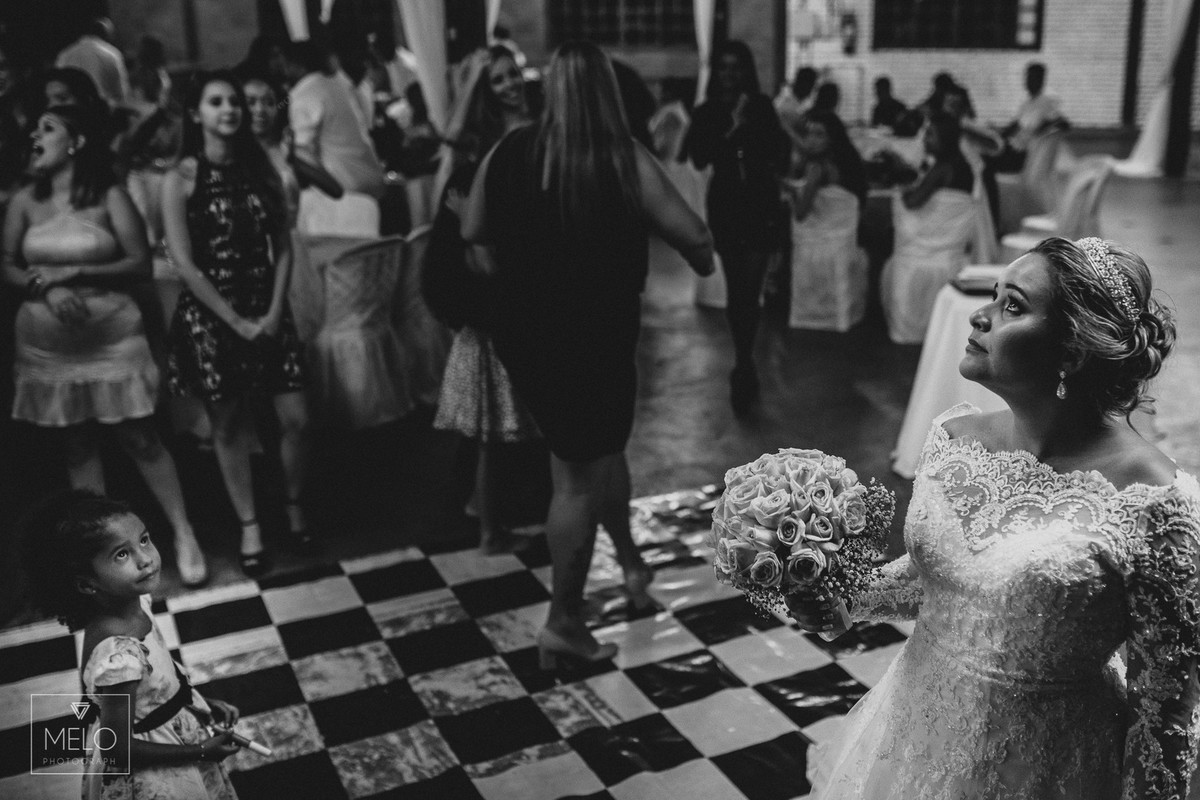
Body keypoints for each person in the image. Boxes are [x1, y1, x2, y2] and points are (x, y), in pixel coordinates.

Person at [789, 236, 1199, 799]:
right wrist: (847, 598)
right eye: (994, 296)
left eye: (1012, 306)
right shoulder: (956, 441)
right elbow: (943, 581)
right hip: (914, 736)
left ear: (1072, 352)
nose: (980, 317)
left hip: (1048, 768)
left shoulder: (1158, 505)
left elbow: (1166, 715)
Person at [462, 41, 714, 667]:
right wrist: (706, 262)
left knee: (593, 456)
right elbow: (693, 233)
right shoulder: (621, 159)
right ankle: (563, 623)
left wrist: (516, 278)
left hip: (529, 338)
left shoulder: (511, 150)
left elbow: (472, 231)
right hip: (595, 340)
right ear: (606, 91)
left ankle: (630, 565)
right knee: (578, 477)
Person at [2, 103, 208, 588]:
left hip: (113, 340)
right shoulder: (22, 201)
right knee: (76, 446)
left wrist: (76, 273)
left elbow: (138, 262)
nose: (35, 133)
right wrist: (45, 288)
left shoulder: (109, 195)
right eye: (35, 126)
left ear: (74, 142)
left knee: (140, 438)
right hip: (48, 349)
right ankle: (104, 555)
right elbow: (5, 263)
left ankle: (183, 534)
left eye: (47, 127)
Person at [162, 72, 312, 575]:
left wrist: (271, 312)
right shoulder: (181, 177)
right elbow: (183, 263)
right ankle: (251, 525)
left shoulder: (260, 166)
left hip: (268, 304)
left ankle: (293, 507)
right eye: (217, 101)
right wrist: (234, 321)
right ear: (196, 113)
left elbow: (286, 245)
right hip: (211, 314)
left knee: (296, 417)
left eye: (234, 102)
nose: (230, 109)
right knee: (228, 425)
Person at [19, 491, 240, 799]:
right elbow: (116, 750)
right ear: (86, 583)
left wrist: (194, 704)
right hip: (155, 771)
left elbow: (155, 681)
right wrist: (200, 751)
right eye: (121, 554)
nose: (145, 558)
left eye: (145, 540)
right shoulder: (118, 656)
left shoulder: (137, 604)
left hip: (171, 728)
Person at [432, 46, 539, 555]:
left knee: (514, 419)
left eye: (512, 73)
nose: (511, 84)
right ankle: (491, 522)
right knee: (496, 420)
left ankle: (502, 513)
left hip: (533, 275)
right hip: (499, 290)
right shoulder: (480, 145)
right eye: (498, 80)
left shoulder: (541, 124)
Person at [683, 40, 789, 414]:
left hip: (759, 204)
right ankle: (743, 359)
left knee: (751, 287)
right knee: (736, 292)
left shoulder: (761, 106)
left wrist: (757, 132)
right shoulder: (706, 111)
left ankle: (744, 360)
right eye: (723, 67)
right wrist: (733, 127)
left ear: (746, 71)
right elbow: (698, 156)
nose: (730, 75)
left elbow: (779, 150)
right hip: (727, 206)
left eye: (736, 67)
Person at [279, 39, 385, 236]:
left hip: (346, 189)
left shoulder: (304, 93)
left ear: (296, 65)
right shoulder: (338, 84)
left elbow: (303, 155)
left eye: (285, 64)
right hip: (372, 180)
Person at [785, 109, 867, 221]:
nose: (811, 140)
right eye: (809, 133)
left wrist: (790, 190)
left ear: (832, 139)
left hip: (820, 234)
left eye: (819, 135)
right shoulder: (844, 163)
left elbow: (800, 214)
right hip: (845, 231)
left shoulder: (816, 168)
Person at [897, 112, 973, 210]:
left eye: (929, 134)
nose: (924, 139)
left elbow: (911, 202)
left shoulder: (943, 168)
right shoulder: (961, 162)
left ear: (944, 137)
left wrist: (901, 178)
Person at [56, 16, 129, 108]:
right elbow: (121, 92)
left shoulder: (65, 54)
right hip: (103, 112)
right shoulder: (112, 54)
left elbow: (57, 88)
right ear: (107, 35)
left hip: (73, 112)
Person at [775, 66, 818, 152]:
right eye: (812, 86)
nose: (812, 90)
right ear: (805, 84)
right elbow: (790, 134)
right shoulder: (785, 104)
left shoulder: (801, 104)